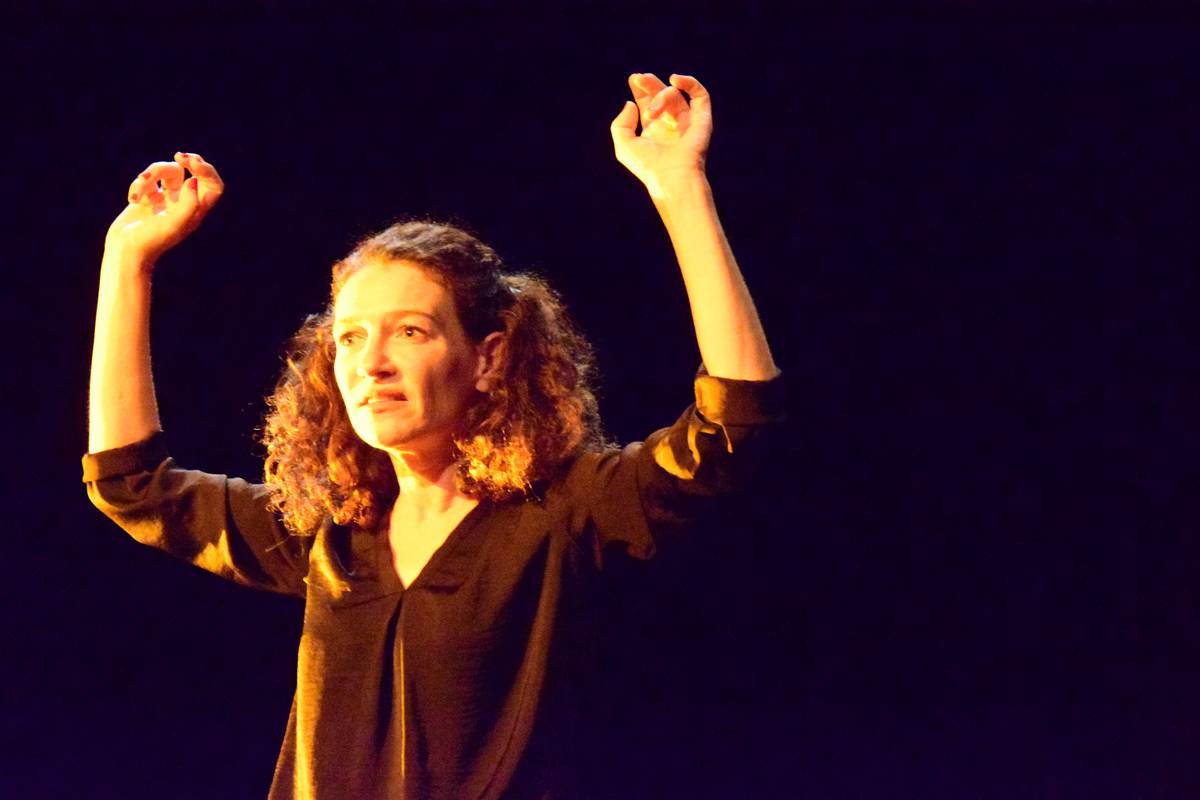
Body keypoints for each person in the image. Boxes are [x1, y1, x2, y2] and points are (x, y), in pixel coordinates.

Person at [83, 73, 784, 799]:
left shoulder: (565, 512)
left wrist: (680, 188)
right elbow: (131, 484)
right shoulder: (332, 532)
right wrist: (128, 260)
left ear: (487, 358)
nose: (371, 364)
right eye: (350, 338)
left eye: (410, 332)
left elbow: (734, 424)